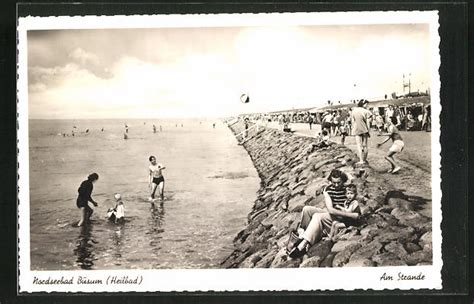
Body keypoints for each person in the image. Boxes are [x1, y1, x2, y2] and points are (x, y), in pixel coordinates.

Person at [288, 170, 359, 258]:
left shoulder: (347, 189)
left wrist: (351, 215)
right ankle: (303, 234)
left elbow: (352, 178)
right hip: (332, 214)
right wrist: (352, 215)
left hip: (340, 219)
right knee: (307, 209)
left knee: (317, 216)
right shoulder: (328, 190)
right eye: (334, 183)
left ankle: (304, 243)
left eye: (338, 182)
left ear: (343, 181)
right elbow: (331, 210)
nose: (336, 185)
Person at [350, 99, 372, 165]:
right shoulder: (366, 111)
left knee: (359, 146)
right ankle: (365, 160)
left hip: (356, 129)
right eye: (366, 104)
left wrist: (353, 129)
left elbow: (352, 122)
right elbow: (368, 123)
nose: (367, 105)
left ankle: (361, 160)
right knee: (365, 145)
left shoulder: (353, 111)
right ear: (363, 104)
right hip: (364, 129)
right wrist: (368, 130)